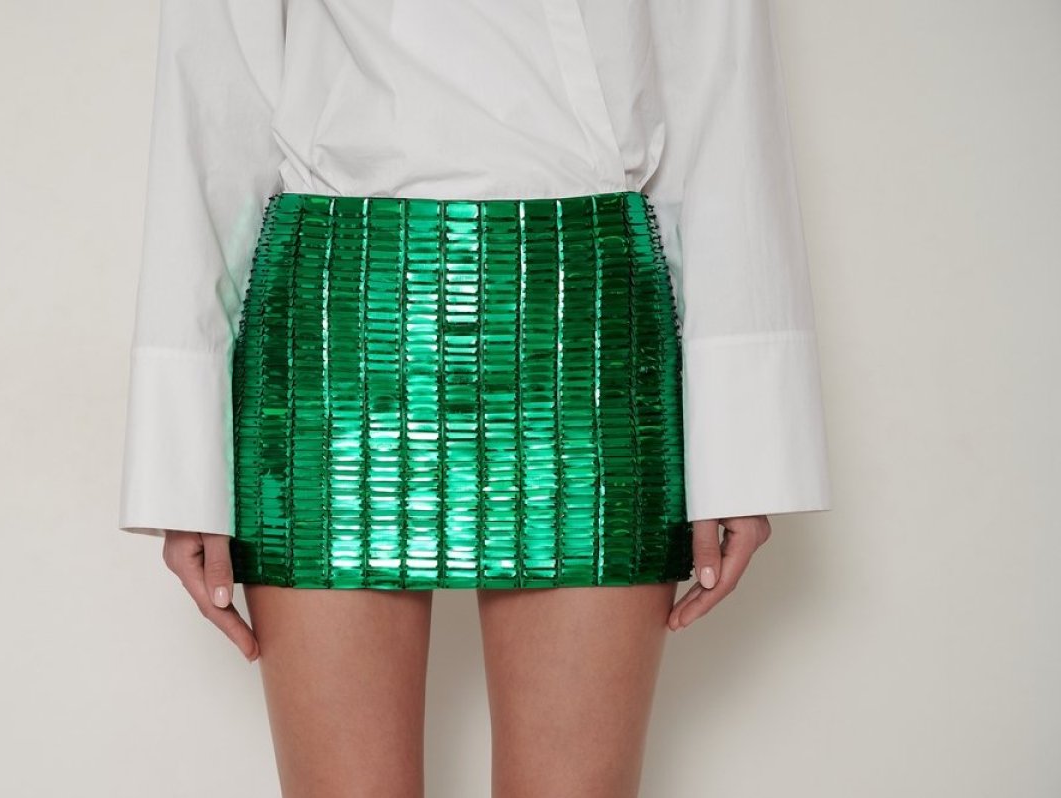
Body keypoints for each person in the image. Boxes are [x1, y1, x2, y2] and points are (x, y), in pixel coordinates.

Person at [116, 1, 831, 795]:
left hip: (588, 321)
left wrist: (742, 442)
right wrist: (184, 466)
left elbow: (719, 74)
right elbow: (211, 87)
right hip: (337, 325)